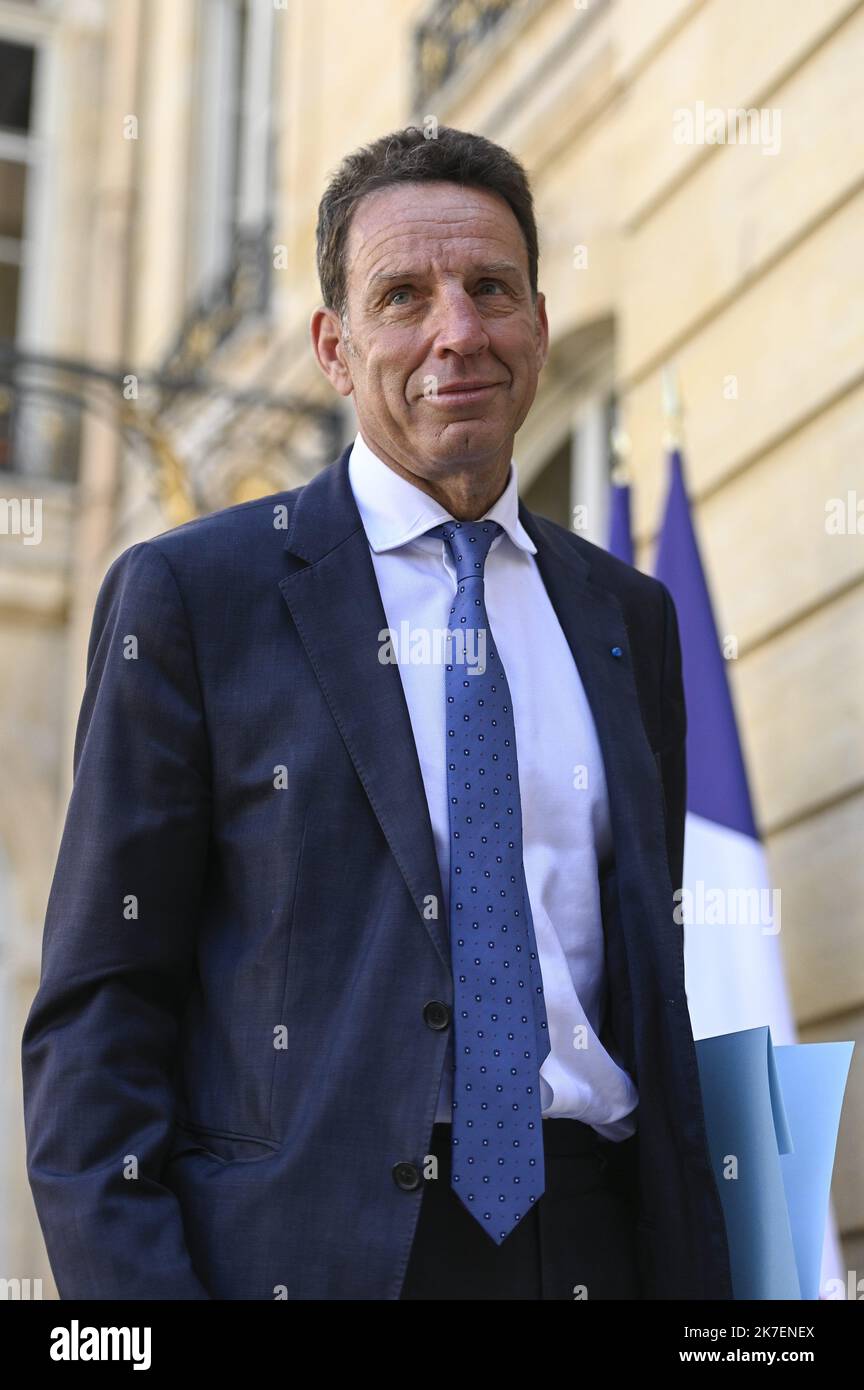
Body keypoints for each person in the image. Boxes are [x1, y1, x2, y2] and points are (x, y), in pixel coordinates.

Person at [22, 125, 733, 1300]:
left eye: (491, 289)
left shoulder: (628, 617)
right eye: (403, 295)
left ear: (540, 326)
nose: (458, 331)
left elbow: (648, 982)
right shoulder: (200, 597)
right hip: (312, 1259)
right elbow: (104, 1007)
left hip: (597, 1242)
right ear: (335, 347)